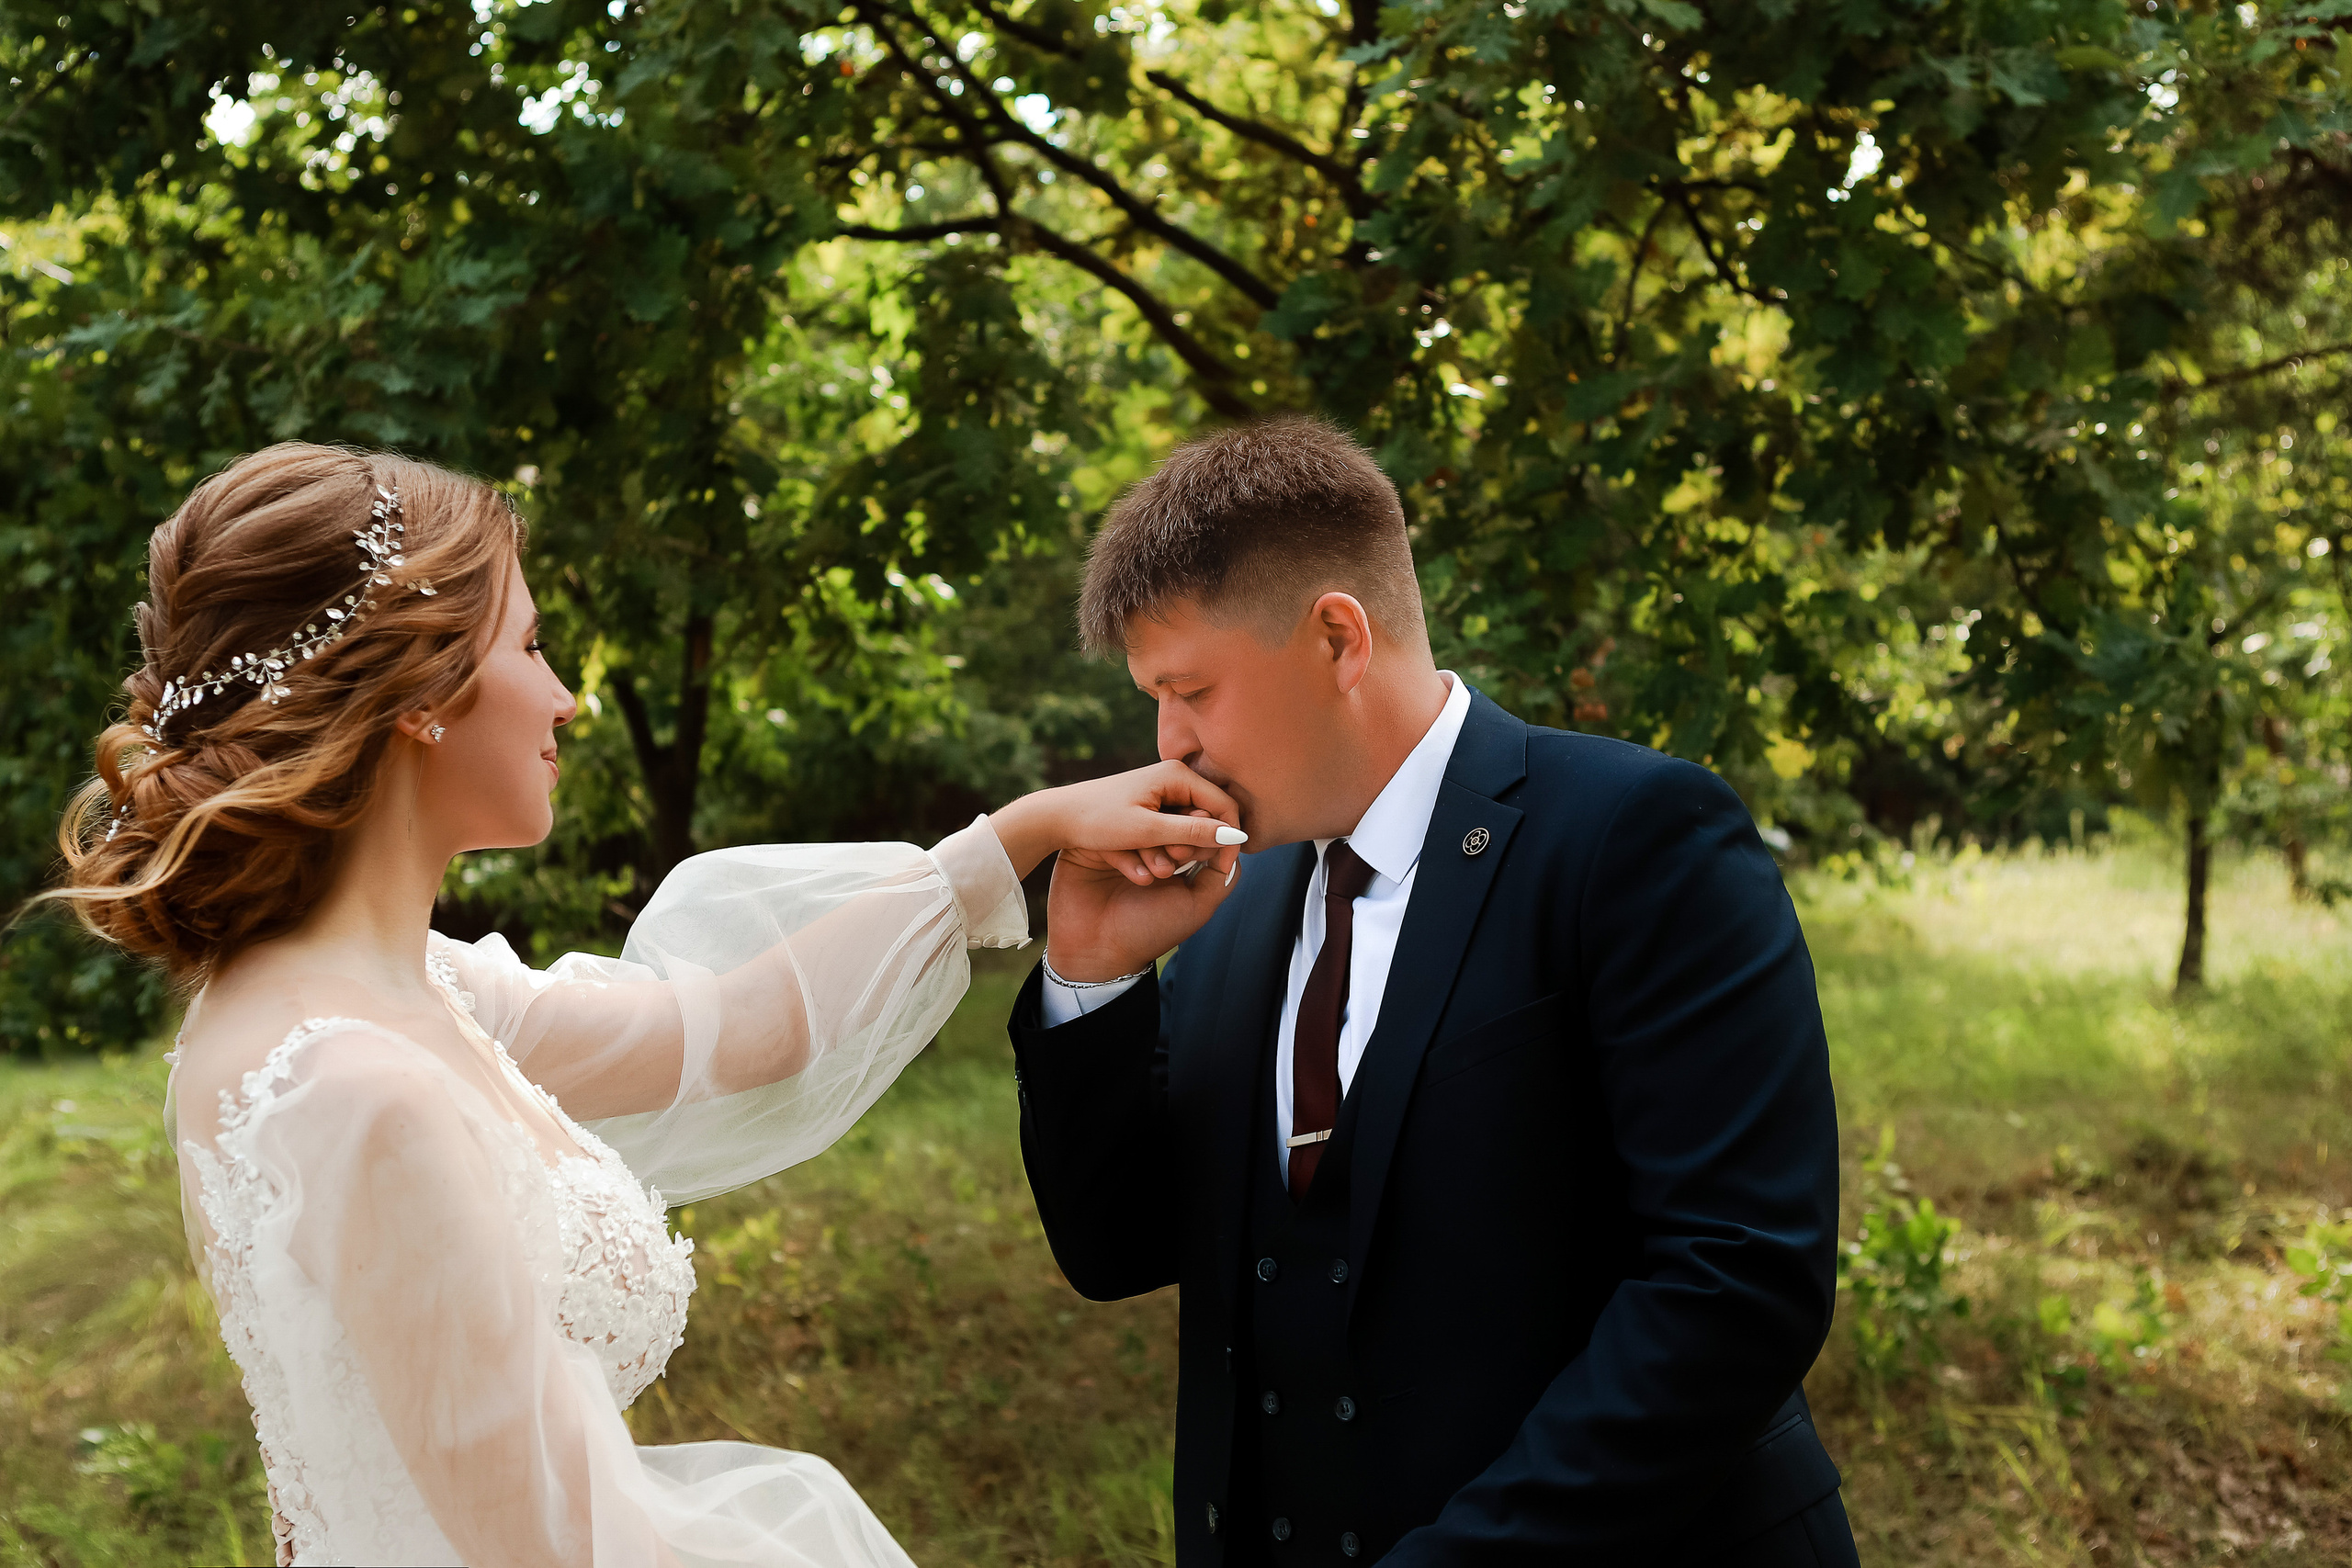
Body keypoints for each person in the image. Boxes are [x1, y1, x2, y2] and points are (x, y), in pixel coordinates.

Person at [44, 442, 1246, 1568]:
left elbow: (733, 1025)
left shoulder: (399, 991)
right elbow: (560, 1543)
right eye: (530, 646)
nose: (564, 697)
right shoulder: (356, 1086)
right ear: (424, 691)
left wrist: (1023, 837)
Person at [1010, 416, 1860, 1565]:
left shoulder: (1632, 835)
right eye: (1154, 699)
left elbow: (1734, 1283)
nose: (1169, 745)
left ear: (1336, 639)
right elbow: (1118, 1250)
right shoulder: (1234, 905)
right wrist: (1091, 981)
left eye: (1191, 689)